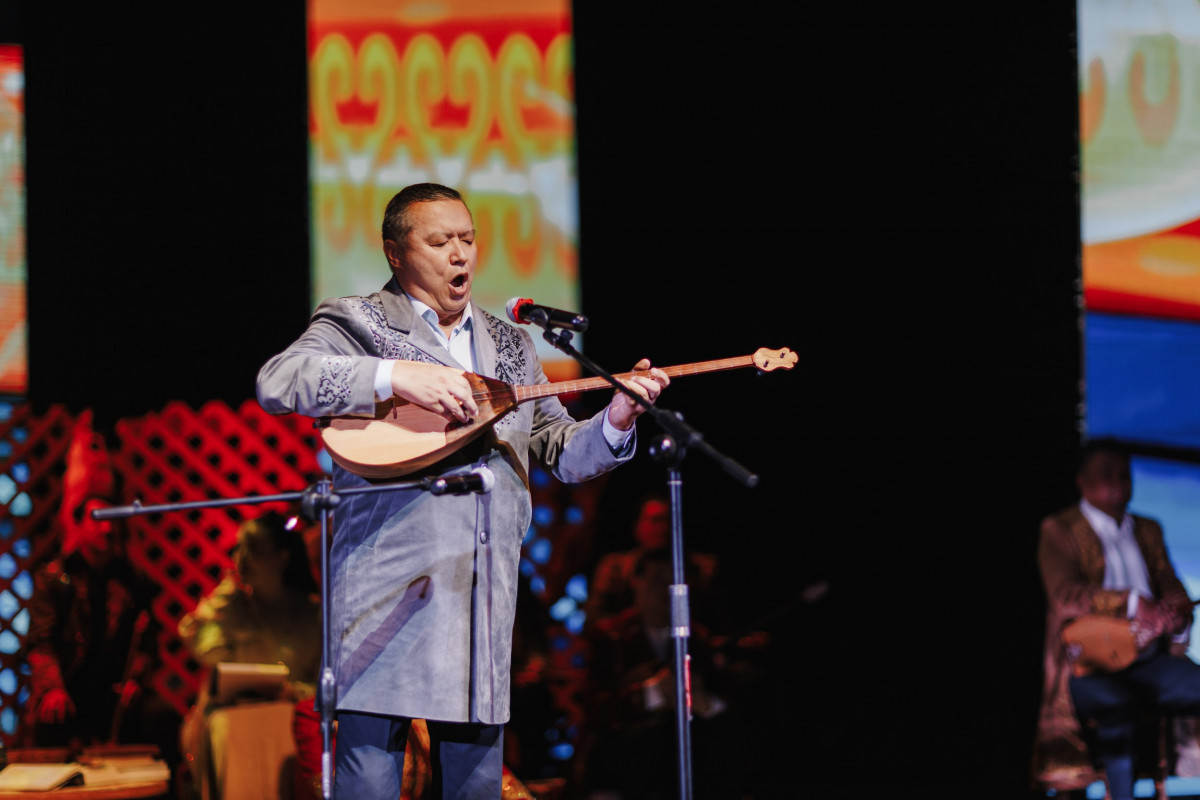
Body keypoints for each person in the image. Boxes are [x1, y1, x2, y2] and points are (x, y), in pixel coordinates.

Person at [255, 182, 669, 799]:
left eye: (468, 239)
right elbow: (279, 380)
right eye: (439, 241)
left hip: (479, 606)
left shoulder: (511, 343)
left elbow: (557, 449)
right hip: (386, 609)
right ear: (396, 253)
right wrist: (396, 376)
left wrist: (616, 418)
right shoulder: (358, 321)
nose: (460, 254)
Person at [1033, 437, 1200, 800]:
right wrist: (1131, 603)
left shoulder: (1148, 529)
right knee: (1117, 710)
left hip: (1150, 660)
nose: (1118, 483)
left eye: (1124, 474)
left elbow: (1171, 586)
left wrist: (1176, 619)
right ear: (1083, 482)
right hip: (1089, 666)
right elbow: (1064, 596)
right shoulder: (1060, 529)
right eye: (1106, 474)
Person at [24, 412, 182, 773]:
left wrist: (137, 680)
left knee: (161, 716)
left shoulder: (131, 580)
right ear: (79, 525)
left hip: (115, 693)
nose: (106, 530)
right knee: (51, 716)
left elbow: (147, 642)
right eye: (98, 522)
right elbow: (41, 643)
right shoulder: (56, 578)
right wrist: (52, 688)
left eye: (112, 522)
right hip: (70, 687)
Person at [177, 511, 322, 800]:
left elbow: (327, 685)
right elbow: (206, 651)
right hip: (235, 714)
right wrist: (222, 598)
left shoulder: (313, 614)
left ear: (281, 557)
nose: (241, 559)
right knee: (223, 727)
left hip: (290, 714)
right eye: (238, 549)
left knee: (292, 727)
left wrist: (293, 692)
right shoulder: (233, 608)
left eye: (253, 549)